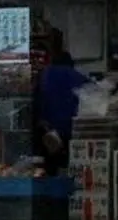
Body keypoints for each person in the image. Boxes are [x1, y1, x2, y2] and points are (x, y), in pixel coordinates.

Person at [34, 29, 89, 177]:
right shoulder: (76, 76)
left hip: (50, 130)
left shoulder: (46, 75)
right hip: (71, 129)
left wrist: (42, 123)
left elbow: (39, 100)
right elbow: (91, 93)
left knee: (50, 166)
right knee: (72, 163)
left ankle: (50, 192)